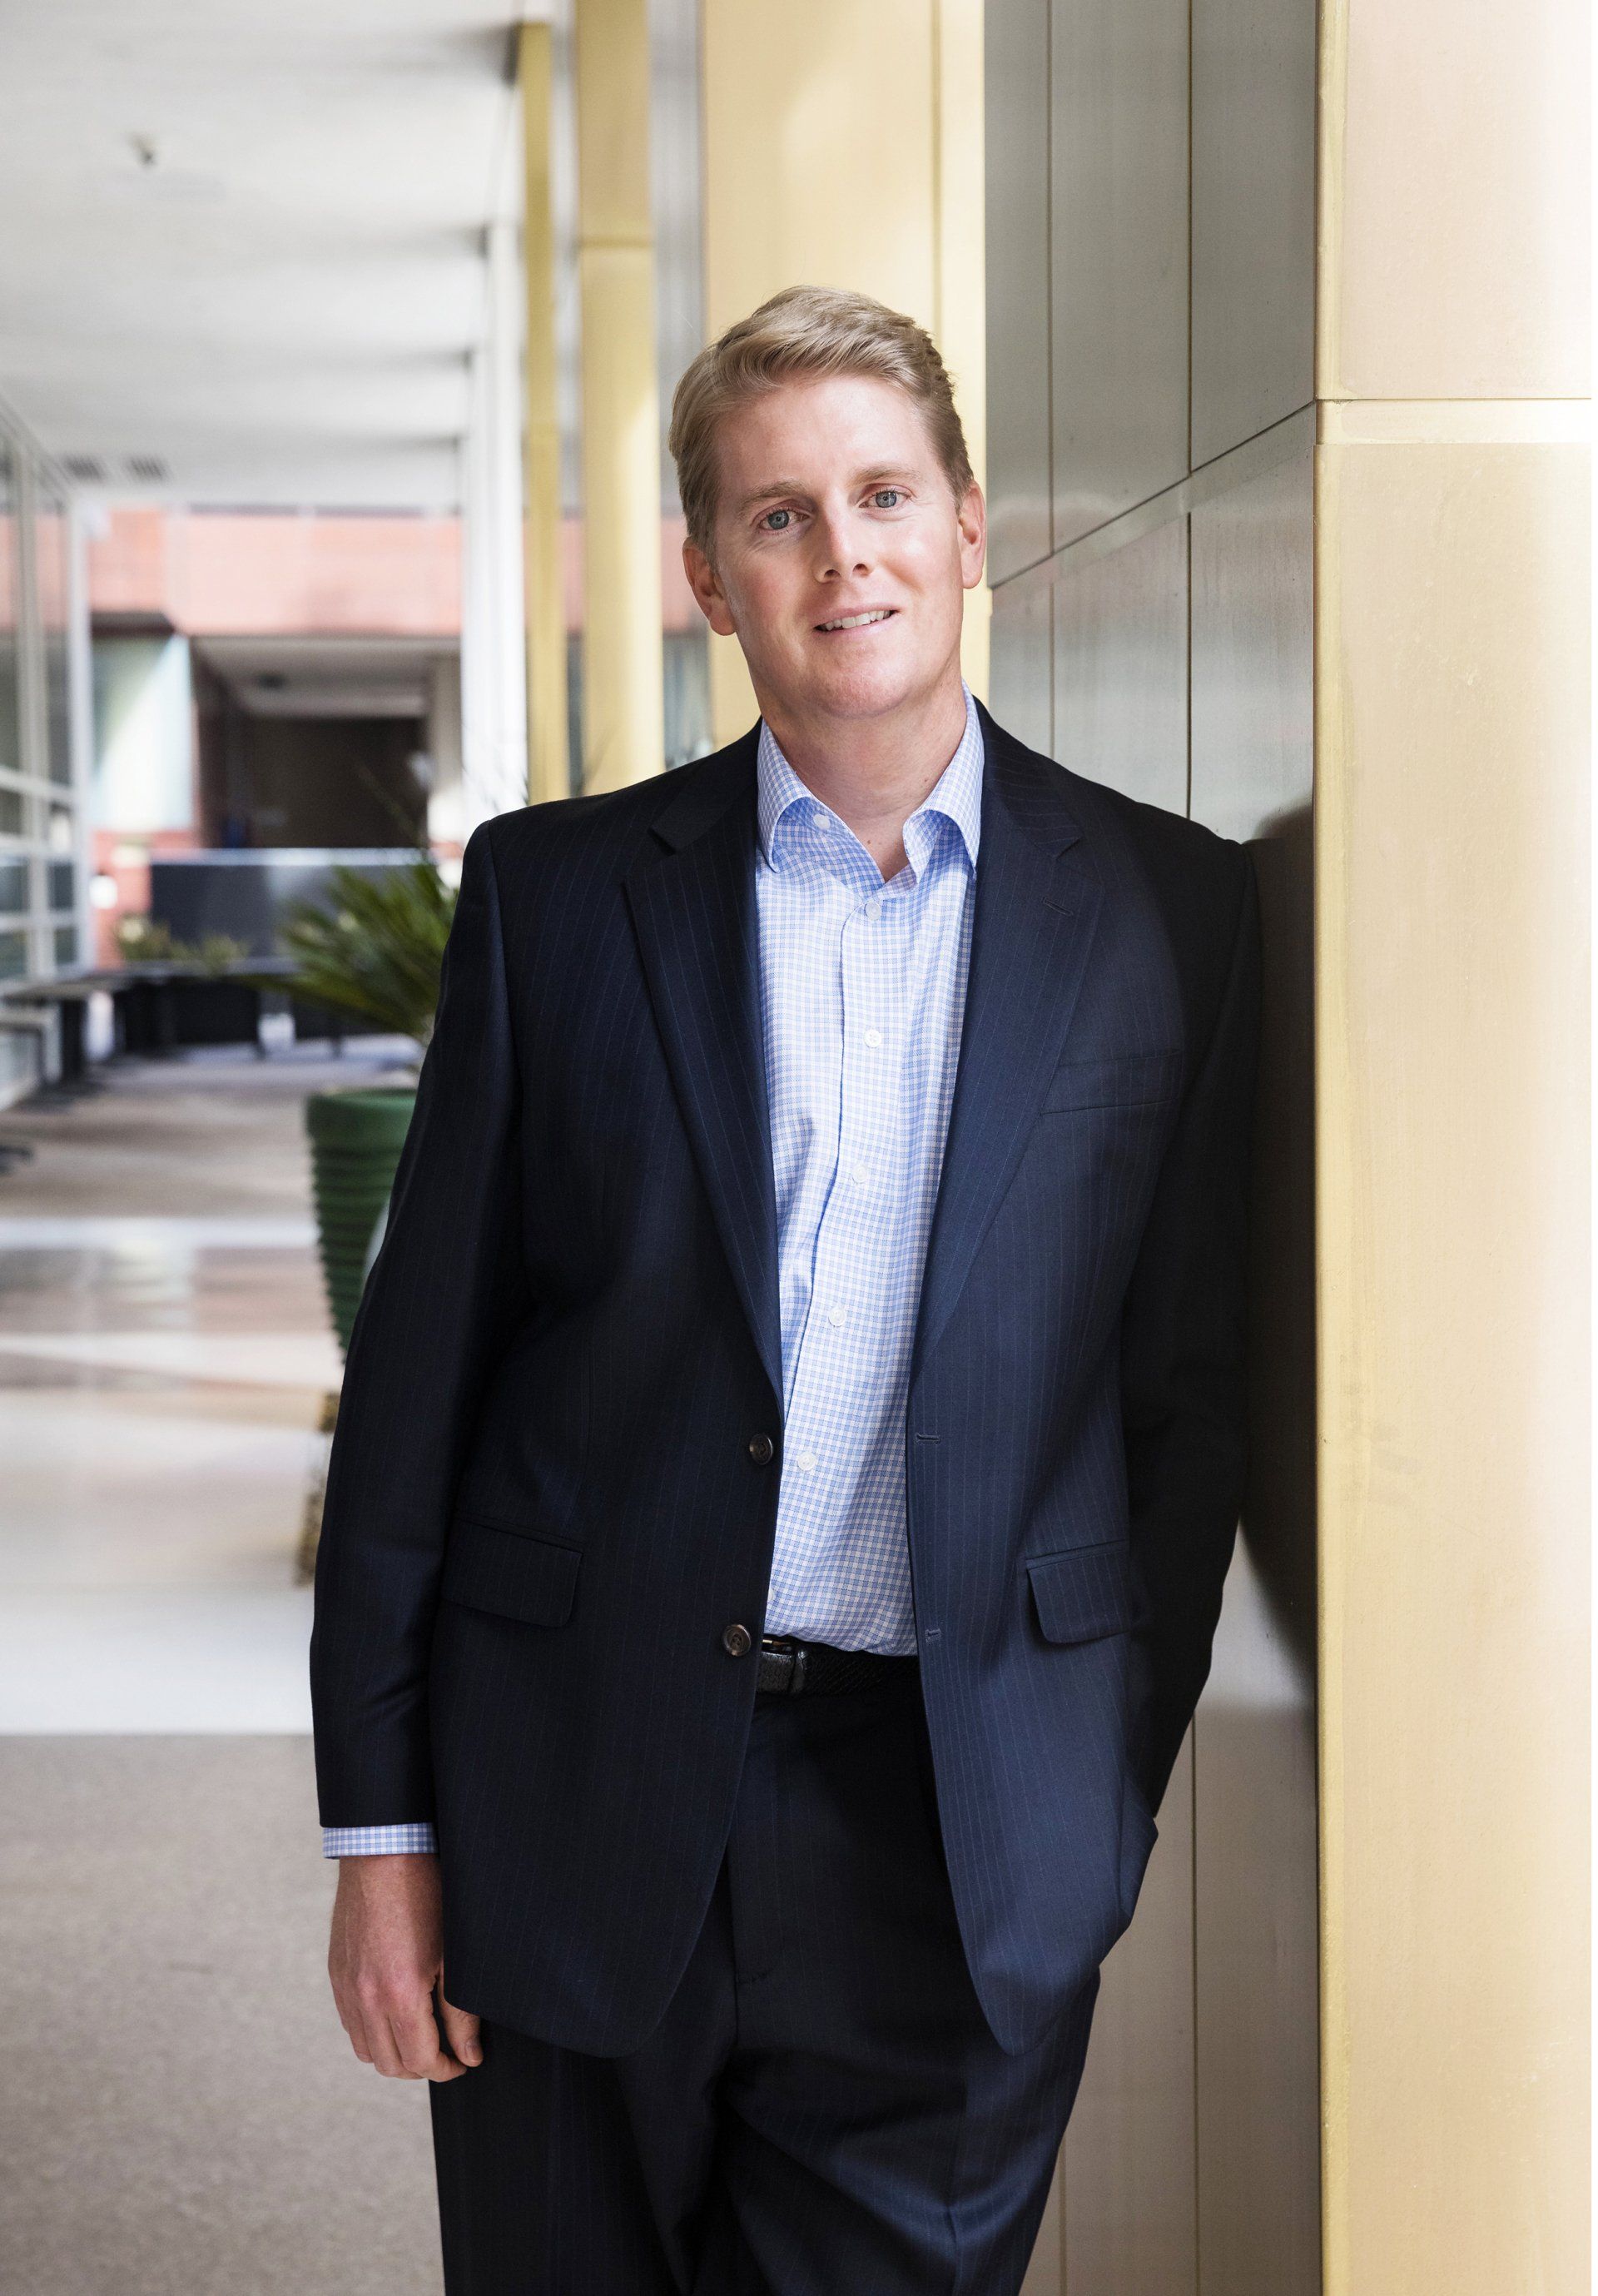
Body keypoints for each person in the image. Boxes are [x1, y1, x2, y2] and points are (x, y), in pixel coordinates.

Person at [310, 284, 1261, 2295]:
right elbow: (422, 1386)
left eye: (885, 493)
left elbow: (1186, 1396)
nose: (847, 557)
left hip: (959, 1824)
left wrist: (1096, 1787)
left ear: (972, 521)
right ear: (708, 577)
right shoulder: (556, 901)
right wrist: (381, 1837)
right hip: (573, 1784)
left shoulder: (1170, 910)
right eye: (778, 515)